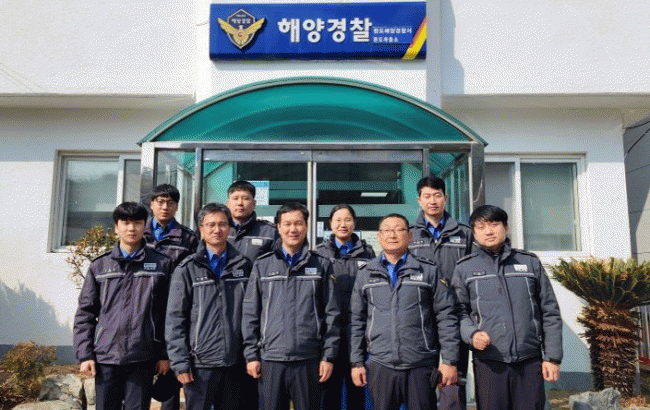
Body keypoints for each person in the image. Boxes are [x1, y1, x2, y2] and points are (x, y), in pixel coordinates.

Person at [451, 205, 563, 410]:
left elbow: (550, 311)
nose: (489, 231)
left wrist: (552, 357)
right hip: (489, 362)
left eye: (494, 224)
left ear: (506, 227)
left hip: (529, 360)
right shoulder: (465, 268)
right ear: (474, 233)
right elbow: (458, 311)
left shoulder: (529, 262)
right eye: (481, 227)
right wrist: (471, 334)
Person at [350, 213, 460, 410]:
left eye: (399, 230)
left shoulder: (428, 271)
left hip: (420, 363)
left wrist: (449, 360)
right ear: (379, 236)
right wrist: (357, 362)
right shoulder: (366, 273)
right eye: (387, 230)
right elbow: (357, 320)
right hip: (380, 363)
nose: (392, 235)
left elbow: (446, 316)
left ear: (409, 236)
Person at [73, 202, 174, 410]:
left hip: (143, 355)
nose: (131, 228)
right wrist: (85, 354)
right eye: (125, 223)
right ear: (116, 227)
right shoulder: (100, 266)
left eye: (137, 223)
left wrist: (165, 354)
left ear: (145, 226)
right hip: (106, 356)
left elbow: (169, 314)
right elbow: (86, 313)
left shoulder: (161, 264)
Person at [241, 202, 340, 410]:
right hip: (271, 359)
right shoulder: (262, 265)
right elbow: (250, 313)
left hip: (309, 358)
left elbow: (332, 314)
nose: (293, 229)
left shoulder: (321, 264)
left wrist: (328, 356)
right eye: (287, 224)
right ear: (278, 227)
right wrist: (251, 355)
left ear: (306, 226)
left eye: (298, 223)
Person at [165, 203, 252, 410]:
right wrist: (180, 362)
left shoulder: (244, 266)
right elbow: (175, 319)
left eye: (222, 224)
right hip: (200, 363)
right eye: (211, 225)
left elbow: (253, 314)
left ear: (229, 228)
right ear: (201, 229)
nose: (217, 229)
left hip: (236, 362)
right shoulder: (187, 269)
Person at [408, 175, 473, 409]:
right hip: (420, 317)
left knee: (453, 380)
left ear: (445, 197)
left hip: (455, 315)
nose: (432, 201)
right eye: (427, 196)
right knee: (421, 382)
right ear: (419, 200)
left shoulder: (464, 233)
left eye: (437, 195)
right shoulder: (409, 234)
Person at [314, 204, 375, 410]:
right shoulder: (319, 253)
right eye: (338, 220)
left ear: (354, 223)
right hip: (329, 333)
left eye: (347, 220)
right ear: (330, 224)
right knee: (329, 392)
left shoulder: (367, 253)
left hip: (357, 333)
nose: (343, 224)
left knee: (357, 390)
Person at [144, 184, 198, 410]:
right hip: (143, 311)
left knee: (170, 381)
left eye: (170, 203)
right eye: (160, 202)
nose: (165, 207)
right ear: (152, 204)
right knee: (140, 379)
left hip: (174, 309)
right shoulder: (139, 233)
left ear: (176, 206)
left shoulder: (188, 238)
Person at [227, 180, 278, 261]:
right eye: (235, 198)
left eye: (245, 198)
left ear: (254, 204)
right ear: (228, 203)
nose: (240, 203)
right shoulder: (218, 229)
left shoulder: (269, 232)